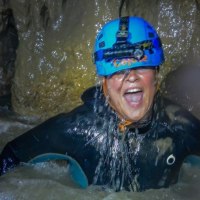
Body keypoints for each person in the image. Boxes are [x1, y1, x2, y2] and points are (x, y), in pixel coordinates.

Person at [1, 16, 200, 192]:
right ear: (104, 81)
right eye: (119, 70)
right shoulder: (80, 128)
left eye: (140, 66)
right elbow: (12, 154)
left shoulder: (179, 126)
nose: (131, 77)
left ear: (156, 72)